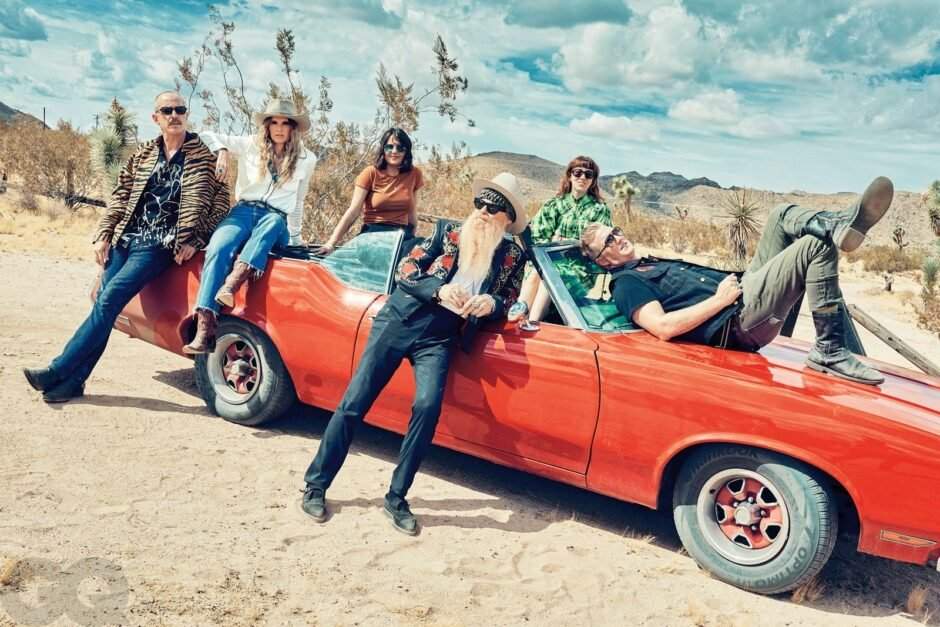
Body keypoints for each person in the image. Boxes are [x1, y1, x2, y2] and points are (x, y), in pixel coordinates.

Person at [300, 172, 529, 535]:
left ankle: (396, 497)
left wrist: (491, 303)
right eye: (480, 203)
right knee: (355, 402)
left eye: (494, 207)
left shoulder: (512, 256)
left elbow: (510, 298)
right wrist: (438, 290)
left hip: (441, 337)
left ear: (508, 219)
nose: (484, 211)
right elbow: (406, 270)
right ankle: (316, 485)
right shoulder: (446, 232)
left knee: (427, 407)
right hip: (400, 319)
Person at [579, 176, 895, 385]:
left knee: (780, 214)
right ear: (603, 260)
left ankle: (837, 224)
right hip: (740, 319)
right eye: (609, 241)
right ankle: (830, 349)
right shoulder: (626, 284)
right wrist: (719, 301)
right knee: (815, 246)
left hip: (745, 289)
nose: (618, 238)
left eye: (615, 231)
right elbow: (662, 327)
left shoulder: (645, 263)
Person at [22, 91, 231, 402]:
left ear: (187, 114)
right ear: (156, 118)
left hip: (159, 245)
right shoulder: (145, 153)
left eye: (180, 109)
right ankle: (74, 382)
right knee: (104, 307)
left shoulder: (205, 156)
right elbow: (121, 194)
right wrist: (105, 233)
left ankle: (57, 369)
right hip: (126, 237)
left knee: (108, 301)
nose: (174, 115)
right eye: (167, 110)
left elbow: (221, 205)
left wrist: (195, 239)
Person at [182, 99, 316, 354]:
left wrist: (296, 238)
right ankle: (205, 327)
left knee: (273, 221)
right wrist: (222, 150)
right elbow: (205, 135)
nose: (279, 128)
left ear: (293, 127)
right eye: (274, 122)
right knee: (219, 247)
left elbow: (298, 201)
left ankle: (232, 284)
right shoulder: (251, 145)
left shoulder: (307, 159)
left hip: (275, 220)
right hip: (243, 212)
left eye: (285, 123)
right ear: (267, 126)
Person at [509, 155, 611, 323]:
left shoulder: (599, 209)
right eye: (578, 173)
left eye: (588, 174)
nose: (582, 177)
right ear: (570, 175)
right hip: (547, 259)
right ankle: (522, 309)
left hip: (579, 266)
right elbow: (539, 236)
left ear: (593, 181)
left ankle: (532, 321)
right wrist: (556, 245)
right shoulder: (554, 205)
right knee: (540, 269)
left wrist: (567, 244)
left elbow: (598, 244)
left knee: (550, 275)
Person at [317, 127, 422, 254]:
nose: (394, 151)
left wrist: (411, 242)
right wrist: (331, 243)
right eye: (389, 147)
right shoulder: (370, 173)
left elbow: (412, 214)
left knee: (427, 250)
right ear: (383, 149)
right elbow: (353, 211)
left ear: (406, 150)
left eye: (400, 148)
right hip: (373, 235)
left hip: (400, 236)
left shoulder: (414, 174)